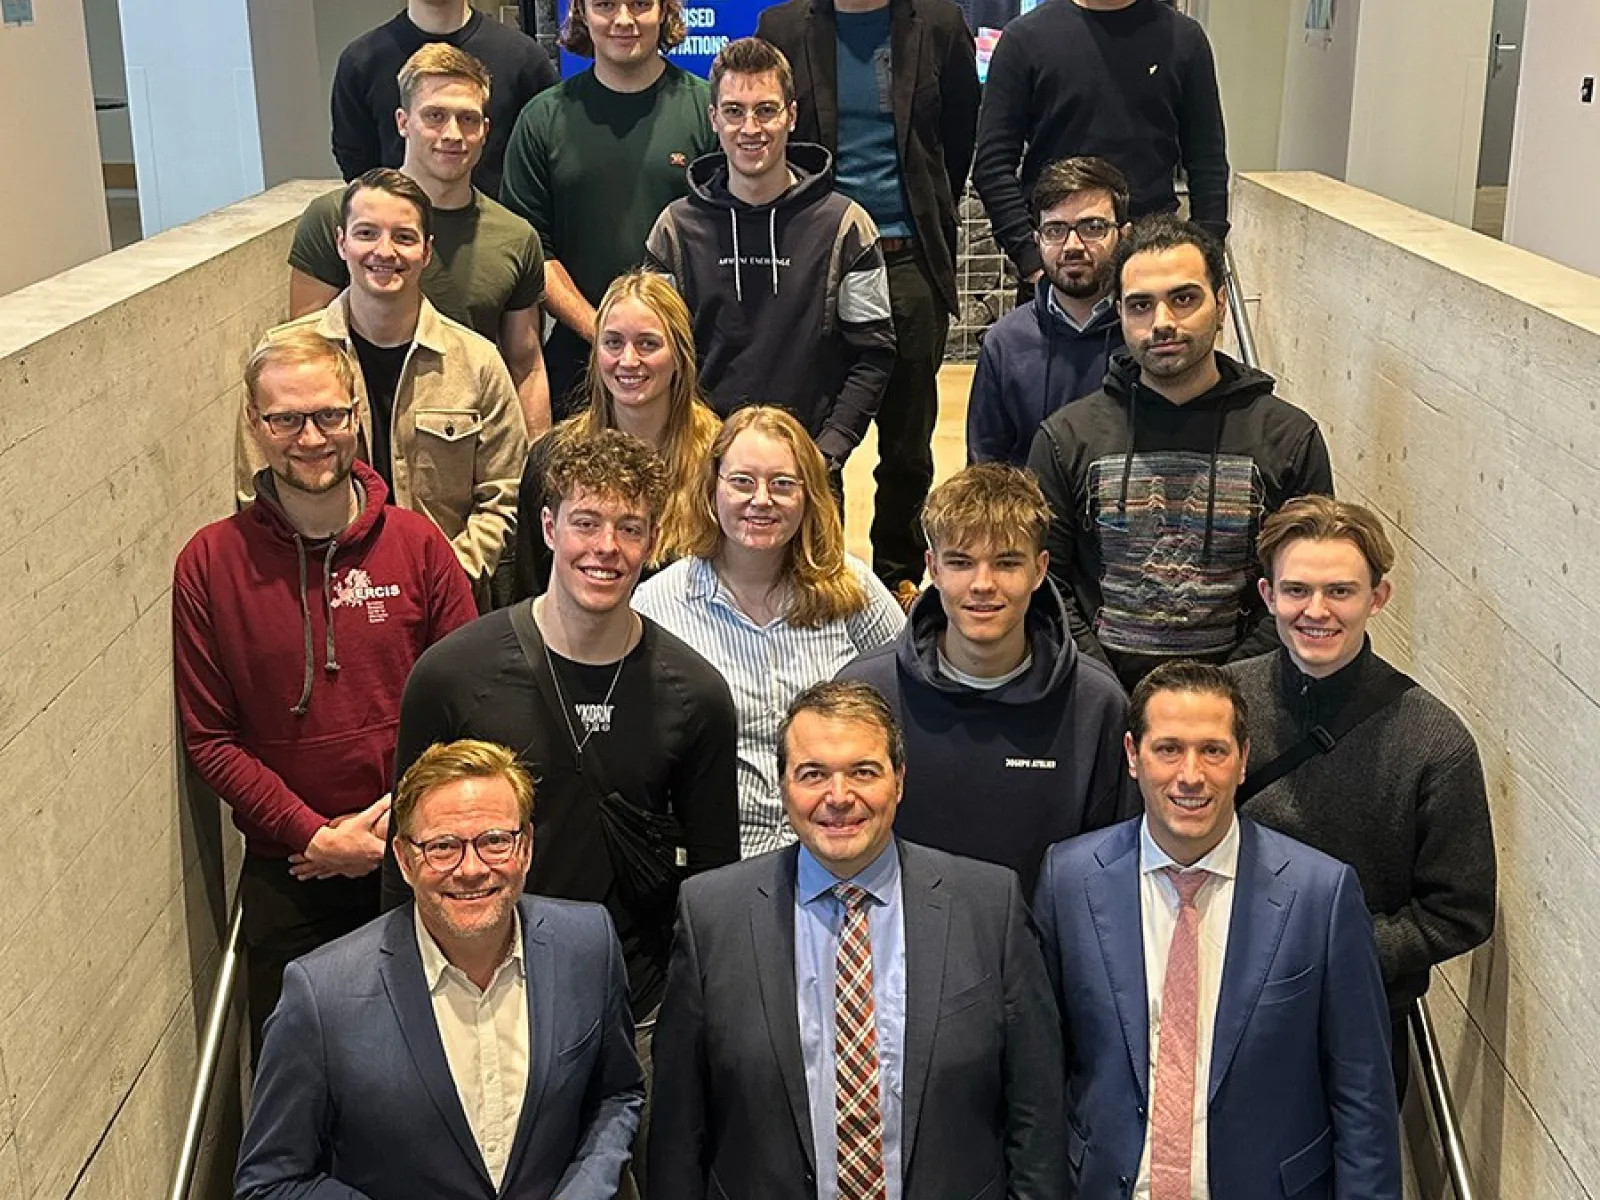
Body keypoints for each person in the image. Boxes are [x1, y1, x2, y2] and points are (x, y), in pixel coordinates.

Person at [176, 329, 478, 1062]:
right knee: (299, 1086)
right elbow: (210, 739)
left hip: (419, 863)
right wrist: (314, 834)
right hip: (291, 872)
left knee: (428, 1078)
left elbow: (469, 704)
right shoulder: (209, 563)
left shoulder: (419, 545)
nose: (309, 438)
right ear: (255, 425)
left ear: (356, 418)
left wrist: (388, 834)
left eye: (329, 416)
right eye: (286, 419)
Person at [648, 680, 1066, 1200]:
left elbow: (1037, 1113)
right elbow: (677, 1132)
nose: (839, 797)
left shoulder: (989, 905)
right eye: (813, 774)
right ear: (783, 787)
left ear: (900, 782)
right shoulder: (712, 915)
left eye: (863, 771)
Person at [383, 429, 739, 1017]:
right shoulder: (450, 676)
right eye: (587, 522)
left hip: (635, 1009)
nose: (606, 547)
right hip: (477, 1002)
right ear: (549, 527)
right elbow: (404, 865)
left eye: (629, 528)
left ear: (652, 542)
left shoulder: (695, 696)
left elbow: (711, 883)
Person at [1034, 661, 1402, 1199]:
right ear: (1133, 756)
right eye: (1168, 749)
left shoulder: (1321, 896)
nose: (1191, 775)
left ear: (1243, 760)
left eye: (1213, 750)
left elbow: (1363, 1094)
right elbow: (1039, 1071)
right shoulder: (1068, 880)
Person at [236, 739, 643, 1200]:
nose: (471, 870)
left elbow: (617, 1095)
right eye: (443, 847)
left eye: (494, 841)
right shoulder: (321, 994)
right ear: (405, 860)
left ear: (525, 848)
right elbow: (268, 1183)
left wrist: (583, 1191)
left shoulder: (588, 945)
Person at [1227, 496, 1497, 1098]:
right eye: (1296, 591)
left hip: (1355, 1027)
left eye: (1340, 592)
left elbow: (1460, 911)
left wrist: (1339, 953)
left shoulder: (1434, 741)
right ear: (1268, 597)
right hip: (1219, 1008)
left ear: (1378, 598)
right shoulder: (1220, 707)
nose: (1316, 611)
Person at [1027, 215, 1334, 692]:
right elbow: (1045, 584)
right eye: (1141, 306)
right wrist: (1105, 691)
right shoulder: (1066, 439)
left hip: (1244, 706)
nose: (1163, 323)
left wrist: (1219, 695)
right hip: (1102, 701)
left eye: (1184, 298)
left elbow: (1306, 586)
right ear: (1121, 315)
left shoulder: (1288, 438)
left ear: (1221, 302)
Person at [752, 0, 979, 598]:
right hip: (816, 263)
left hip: (907, 261)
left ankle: (897, 582)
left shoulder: (939, 24)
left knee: (906, 445)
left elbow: (957, 143)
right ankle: (821, 577)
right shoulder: (782, 27)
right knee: (817, 436)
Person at [839, 463, 1130, 894]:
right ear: (932, 568)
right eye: (960, 562)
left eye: (1006, 563)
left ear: (1040, 569)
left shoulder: (1096, 705)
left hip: (1040, 956)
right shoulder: (864, 694)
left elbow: (1113, 869)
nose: (982, 584)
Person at [240, 169, 528, 601]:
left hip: (443, 603)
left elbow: (505, 495)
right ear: (341, 243)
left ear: (427, 251)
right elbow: (255, 492)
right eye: (366, 233)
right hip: (317, 598)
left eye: (404, 237)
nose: (384, 251)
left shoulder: (478, 362)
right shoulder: (282, 358)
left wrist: (441, 581)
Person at [633, 405, 904, 858]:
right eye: (742, 481)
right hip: (717, 863)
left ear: (809, 495)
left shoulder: (855, 592)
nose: (761, 499)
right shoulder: (658, 606)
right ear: (711, 489)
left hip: (840, 853)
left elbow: (907, 702)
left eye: (782, 484)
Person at [644, 38, 894, 479]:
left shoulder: (846, 226)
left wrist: (827, 452)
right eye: (735, 111)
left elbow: (873, 354)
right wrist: (687, 452)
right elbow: (655, 355)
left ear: (791, 116)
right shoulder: (675, 230)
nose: (750, 128)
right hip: (703, 471)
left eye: (766, 110)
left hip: (808, 472)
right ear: (714, 119)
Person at [294, 44, 551, 436]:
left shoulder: (515, 238)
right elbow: (302, 353)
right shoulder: (336, 217)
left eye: (467, 119)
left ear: (486, 129)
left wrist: (535, 474)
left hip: (461, 458)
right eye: (434, 116)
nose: (452, 134)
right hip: (348, 447)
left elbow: (526, 365)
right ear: (403, 121)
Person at [501, 0, 715, 416]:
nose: (623, 19)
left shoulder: (707, 113)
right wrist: (607, 335)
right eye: (604, 4)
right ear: (580, 11)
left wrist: (660, 340)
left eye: (639, 4)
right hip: (579, 367)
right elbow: (532, 252)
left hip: (695, 364)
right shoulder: (543, 120)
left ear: (666, 9)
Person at [971, 0, 1229, 288]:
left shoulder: (1184, 39)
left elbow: (1208, 163)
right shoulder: (1024, 39)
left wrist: (1205, 257)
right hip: (1060, 265)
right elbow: (992, 165)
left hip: (1153, 263)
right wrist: (1030, 260)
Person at [513, 271, 720, 600]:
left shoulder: (720, 460)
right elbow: (527, 589)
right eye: (613, 343)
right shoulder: (554, 458)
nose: (628, 360)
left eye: (647, 344)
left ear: (680, 355)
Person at [967, 156, 1130, 467]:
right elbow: (985, 467)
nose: (1072, 245)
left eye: (1093, 227)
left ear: (1124, 235)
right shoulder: (1005, 343)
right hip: (1033, 511)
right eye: (1055, 230)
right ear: (1037, 240)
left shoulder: (1146, 335)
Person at [330, 0, 557, 201]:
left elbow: (545, 159)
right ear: (402, 121)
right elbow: (355, 161)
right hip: (396, 235)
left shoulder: (524, 60)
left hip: (495, 236)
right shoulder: (361, 62)